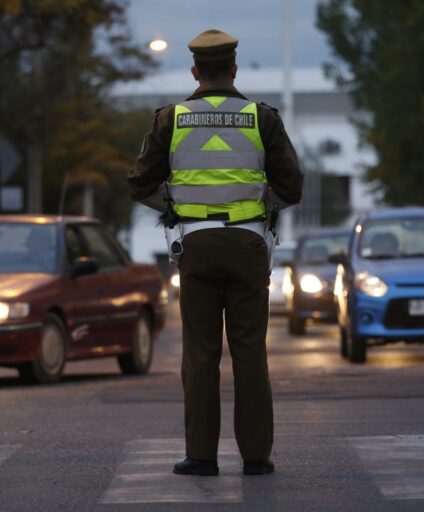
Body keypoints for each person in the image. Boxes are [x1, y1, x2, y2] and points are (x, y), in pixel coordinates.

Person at [128, 29, 302, 476]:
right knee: (250, 352)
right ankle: (257, 457)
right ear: (234, 69)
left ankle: (202, 456)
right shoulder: (261, 118)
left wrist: (174, 208)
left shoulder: (171, 118)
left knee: (201, 353)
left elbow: (139, 183)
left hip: (197, 247)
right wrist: (264, 208)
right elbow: (293, 188)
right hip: (247, 246)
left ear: (194, 71)